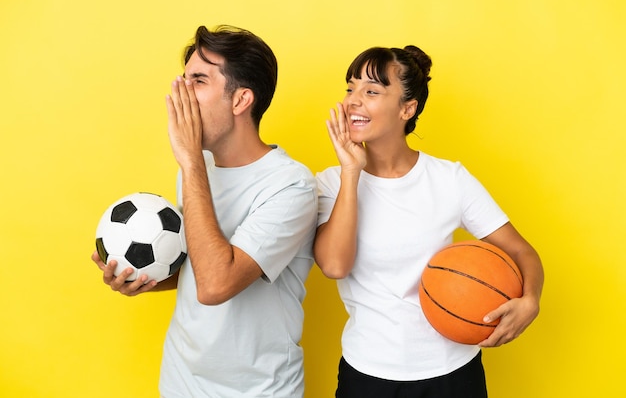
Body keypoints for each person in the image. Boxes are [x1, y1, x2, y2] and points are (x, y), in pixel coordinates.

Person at [91, 25, 318, 397]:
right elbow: (196, 269)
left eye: (198, 81)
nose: (181, 93)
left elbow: (217, 284)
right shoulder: (198, 171)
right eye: (183, 80)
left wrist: (191, 161)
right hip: (182, 380)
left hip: (258, 388)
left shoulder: (291, 187)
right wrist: (143, 279)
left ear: (241, 100)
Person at [313, 45, 544, 397]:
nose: (352, 101)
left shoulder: (448, 178)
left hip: (453, 373)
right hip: (368, 374)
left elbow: (522, 252)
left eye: (371, 91)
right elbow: (333, 265)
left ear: (408, 108)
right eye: (350, 88)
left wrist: (531, 300)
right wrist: (351, 172)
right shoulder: (331, 182)